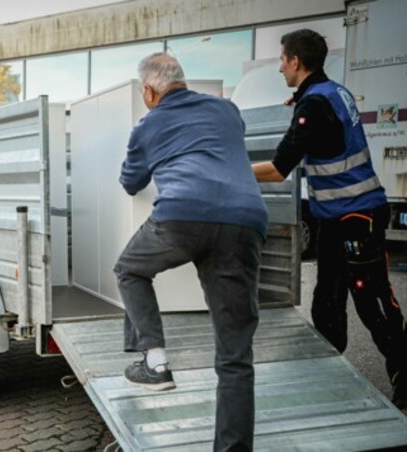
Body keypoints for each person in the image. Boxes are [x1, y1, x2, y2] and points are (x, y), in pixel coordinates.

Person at [114, 52, 268, 451]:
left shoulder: (147, 124)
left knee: (130, 269)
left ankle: (155, 362)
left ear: (148, 91)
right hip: (244, 221)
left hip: (183, 218)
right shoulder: (228, 109)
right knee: (235, 356)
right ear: (182, 81)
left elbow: (130, 183)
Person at [252, 29, 406, 412]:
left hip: (357, 216)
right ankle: (327, 377)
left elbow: (277, 169)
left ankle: (406, 383)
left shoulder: (313, 106)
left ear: (296, 61)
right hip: (337, 218)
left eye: (282, 59)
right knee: (326, 300)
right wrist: (300, 103)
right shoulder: (331, 92)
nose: (279, 67)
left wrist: (225, 168)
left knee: (372, 304)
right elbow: (324, 129)